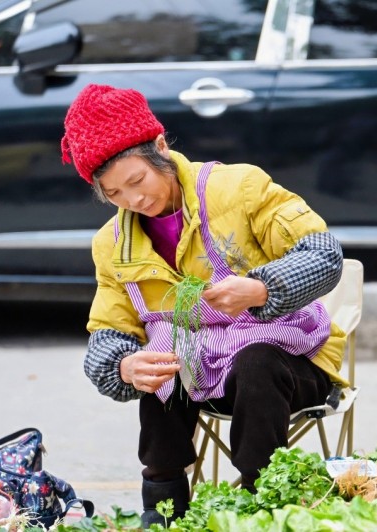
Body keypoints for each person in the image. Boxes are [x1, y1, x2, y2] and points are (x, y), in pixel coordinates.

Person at [61, 84, 347, 526]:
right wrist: (123, 366)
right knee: (162, 369)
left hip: (290, 363)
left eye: (138, 181)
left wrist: (261, 290)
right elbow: (108, 331)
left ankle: (261, 503)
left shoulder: (238, 188)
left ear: (160, 148)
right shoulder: (112, 244)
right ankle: (163, 507)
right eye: (115, 194)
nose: (134, 200)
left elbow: (324, 255)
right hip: (202, 369)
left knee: (256, 363)